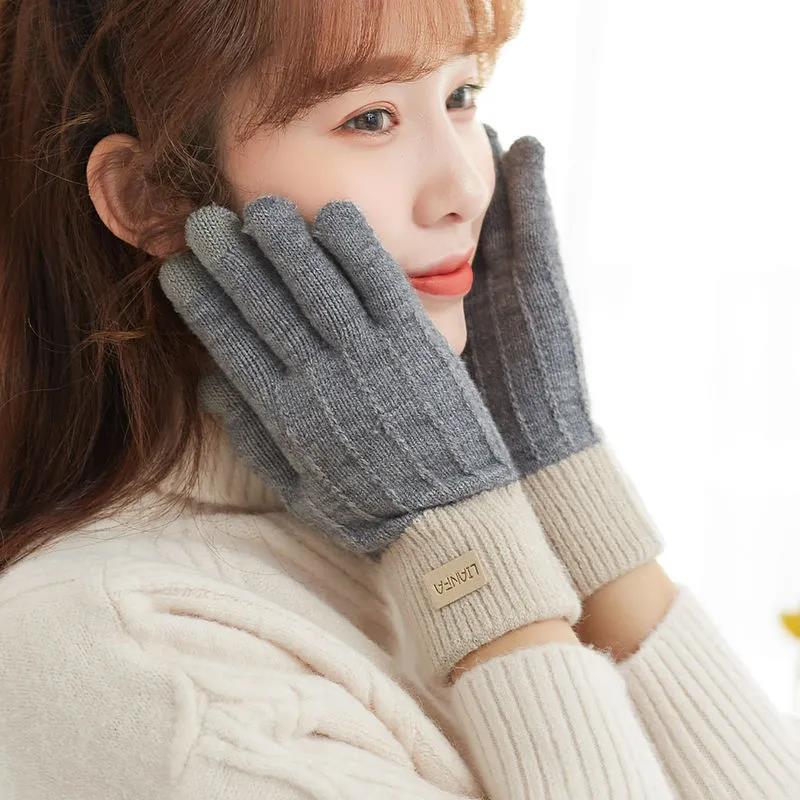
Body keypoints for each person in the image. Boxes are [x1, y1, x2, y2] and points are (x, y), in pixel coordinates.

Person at [0, 1, 797, 798]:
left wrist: (556, 476)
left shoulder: (373, 516)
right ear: (150, 196)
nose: (465, 189)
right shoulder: (124, 647)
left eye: (461, 95)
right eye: (371, 118)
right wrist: (465, 552)